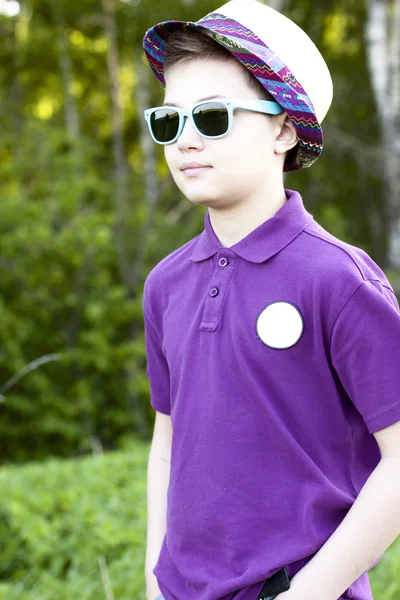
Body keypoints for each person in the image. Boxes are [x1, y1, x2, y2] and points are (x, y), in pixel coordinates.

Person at [141, 1, 400, 600]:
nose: (185, 141)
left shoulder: (338, 280)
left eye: (211, 118)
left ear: (284, 127)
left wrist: (308, 593)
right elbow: (167, 443)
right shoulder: (166, 284)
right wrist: (154, 580)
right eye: (168, 121)